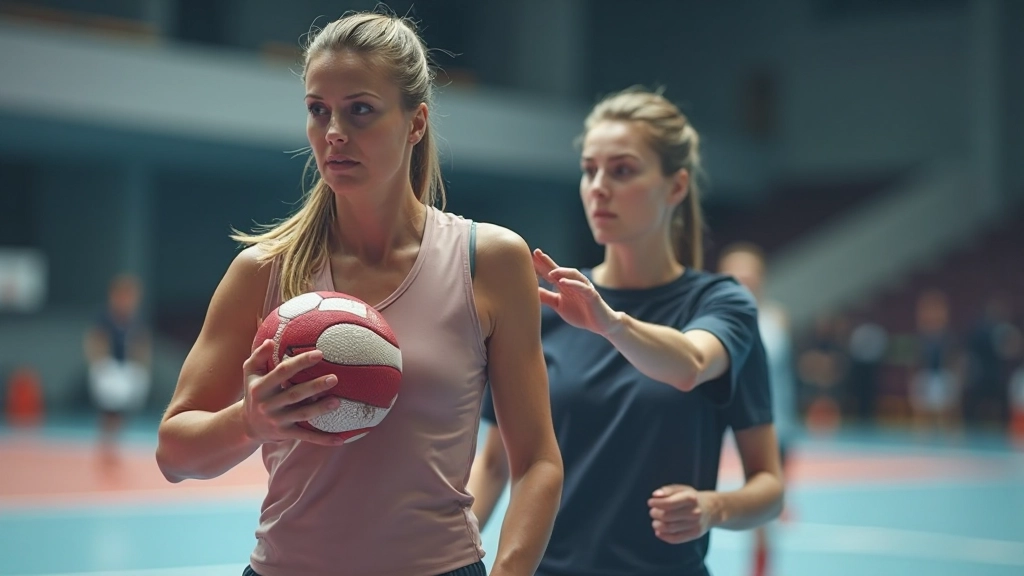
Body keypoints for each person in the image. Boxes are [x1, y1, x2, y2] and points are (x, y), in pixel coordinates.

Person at [155, 10, 562, 576]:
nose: (334, 132)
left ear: (416, 122)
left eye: (360, 110)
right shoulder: (263, 270)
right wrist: (249, 421)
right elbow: (174, 454)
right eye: (317, 110)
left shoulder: (487, 262)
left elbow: (538, 460)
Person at [469, 87, 783, 576]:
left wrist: (712, 508)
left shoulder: (723, 305)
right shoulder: (550, 306)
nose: (598, 186)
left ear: (676, 187)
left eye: (622, 170)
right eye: (589, 169)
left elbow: (766, 480)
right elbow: (494, 464)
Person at [717, 243, 797, 576]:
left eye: (750, 277)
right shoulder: (713, 321)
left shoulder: (775, 321)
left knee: (763, 516)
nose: (744, 284)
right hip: (724, 428)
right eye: (736, 277)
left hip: (773, 428)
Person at [84, 273, 151, 468]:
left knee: (121, 409)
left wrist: (141, 367)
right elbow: (95, 341)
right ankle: (107, 442)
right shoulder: (104, 318)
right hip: (109, 367)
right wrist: (99, 365)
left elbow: (141, 343)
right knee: (109, 408)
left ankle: (113, 440)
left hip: (128, 369)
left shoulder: (135, 320)